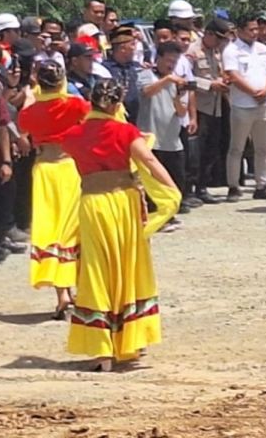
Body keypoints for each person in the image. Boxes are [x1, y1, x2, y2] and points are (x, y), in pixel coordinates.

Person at [61, 79, 179, 371]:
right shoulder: (125, 131)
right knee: (129, 266)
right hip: (123, 204)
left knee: (96, 270)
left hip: (92, 205)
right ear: (116, 104)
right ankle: (132, 341)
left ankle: (103, 352)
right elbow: (149, 160)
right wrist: (172, 191)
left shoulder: (74, 134)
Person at [17, 61, 89, 316]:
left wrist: (29, 97)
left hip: (45, 170)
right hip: (70, 167)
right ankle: (78, 289)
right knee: (72, 229)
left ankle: (62, 294)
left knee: (49, 228)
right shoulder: (75, 104)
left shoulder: (30, 111)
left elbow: (23, 125)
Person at [221, 15, 266, 201]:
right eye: (251, 29)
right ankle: (234, 186)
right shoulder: (232, 50)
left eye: (256, 29)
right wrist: (253, 92)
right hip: (242, 105)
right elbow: (233, 76)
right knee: (237, 147)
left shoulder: (263, 49)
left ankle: (261, 185)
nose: (255, 33)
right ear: (239, 30)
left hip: (264, 104)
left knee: (263, 147)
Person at [136, 42, 189, 221]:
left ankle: (170, 212)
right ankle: (154, 213)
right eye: (168, 60)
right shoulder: (146, 75)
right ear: (158, 58)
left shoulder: (177, 80)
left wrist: (179, 96)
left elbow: (182, 112)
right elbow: (146, 92)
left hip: (172, 139)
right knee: (153, 181)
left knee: (176, 177)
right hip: (151, 138)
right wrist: (167, 80)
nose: (171, 65)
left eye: (175, 61)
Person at [186, 18, 231, 201]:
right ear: (209, 34)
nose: (221, 43)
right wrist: (209, 85)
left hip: (216, 106)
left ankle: (203, 187)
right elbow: (187, 79)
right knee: (196, 150)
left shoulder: (217, 52)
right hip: (199, 106)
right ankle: (190, 188)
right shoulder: (193, 51)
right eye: (218, 38)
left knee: (211, 149)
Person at [102, 26, 142, 124]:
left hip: (138, 119)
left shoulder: (136, 67)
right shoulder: (105, 69)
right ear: (122, 48)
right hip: (117, 119)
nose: (134, 48)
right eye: (132, 45)